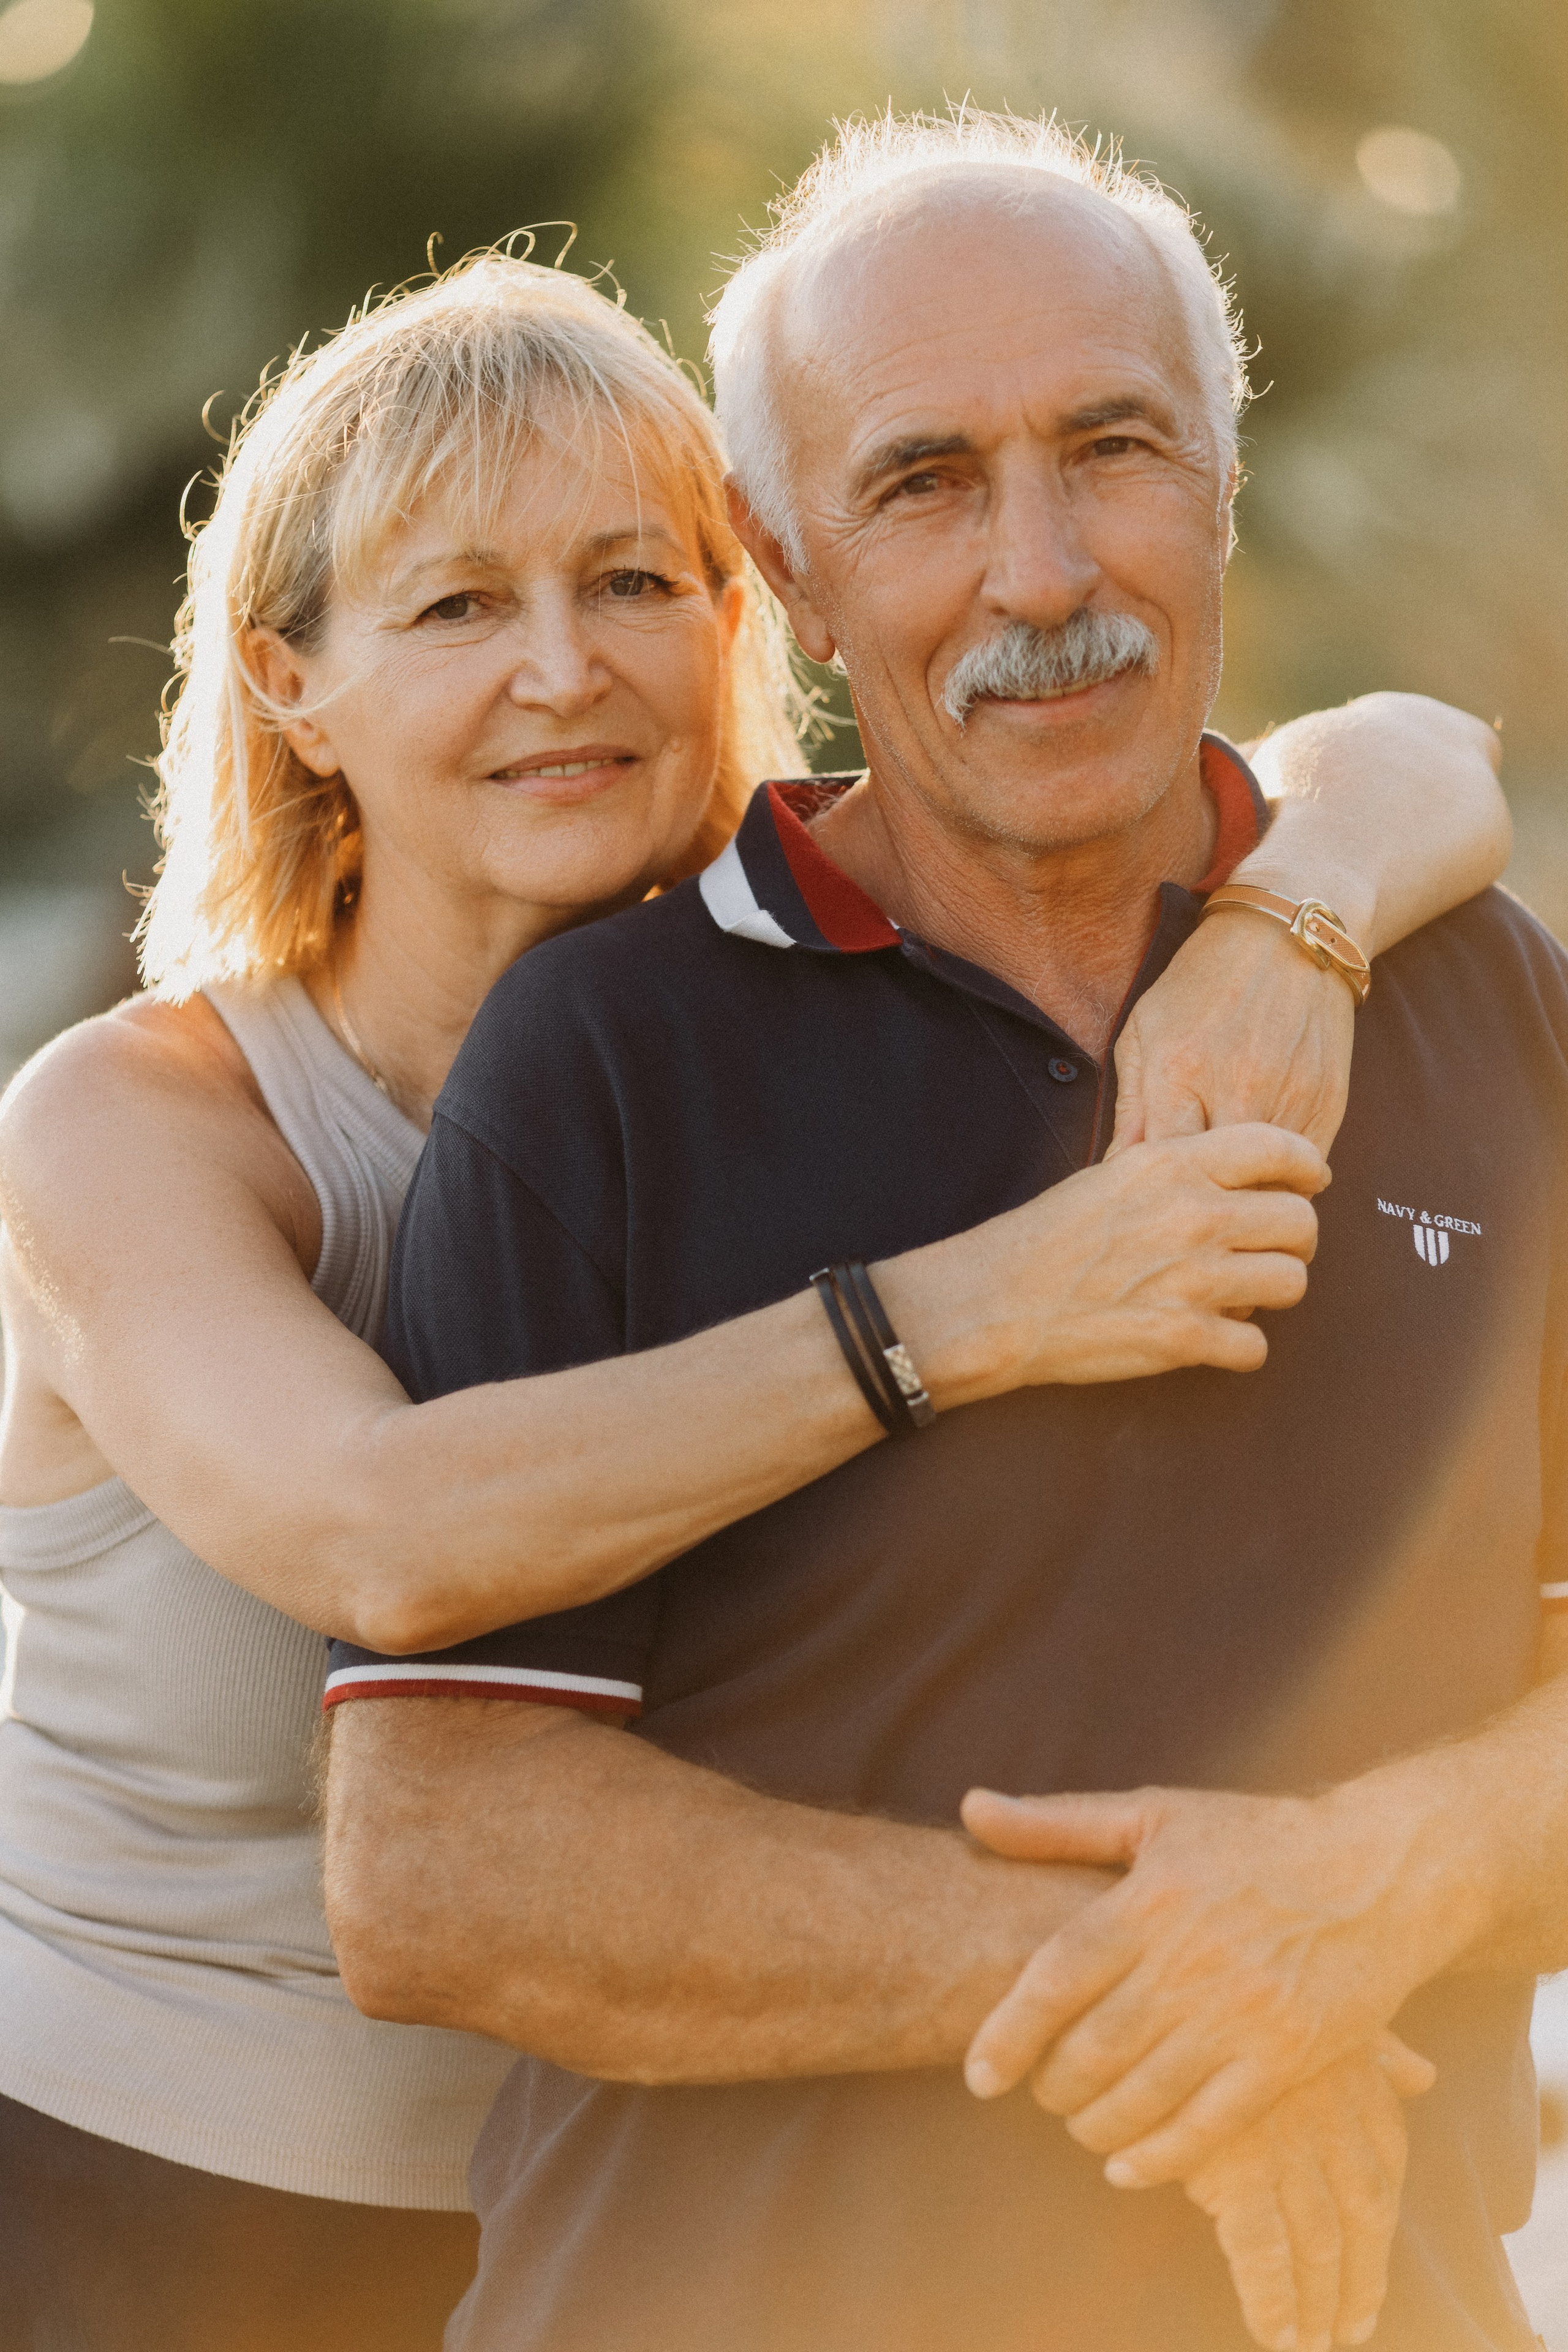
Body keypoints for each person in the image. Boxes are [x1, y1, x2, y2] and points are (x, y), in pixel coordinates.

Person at [0, 252, 1502, 2349]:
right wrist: (968, 1314)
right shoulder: (134, 1127)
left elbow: (1414, 754)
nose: (567, 671)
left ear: (748, 611)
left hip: (590, 2200)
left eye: (634, 581)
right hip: (145, 2221)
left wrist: (1305, 916)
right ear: (287, 683)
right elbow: (385, 1535)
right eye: (456, 608)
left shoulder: (750, 1059)